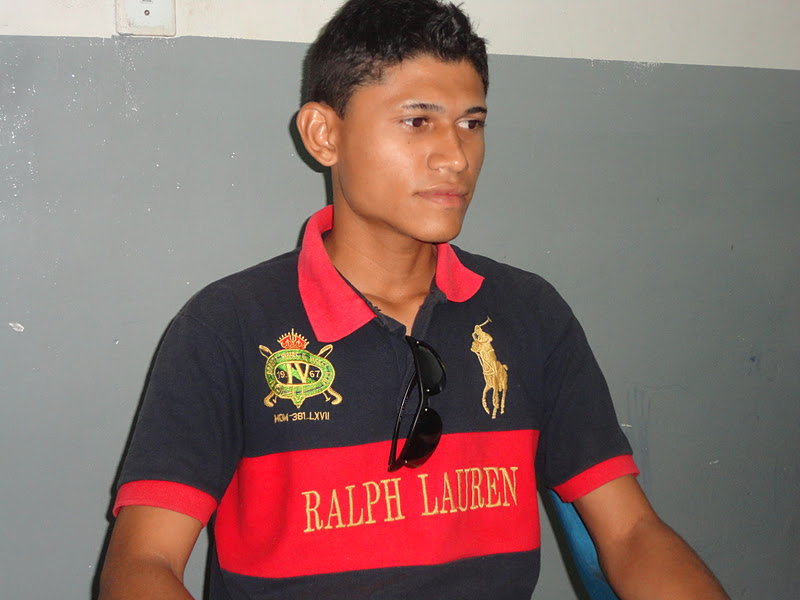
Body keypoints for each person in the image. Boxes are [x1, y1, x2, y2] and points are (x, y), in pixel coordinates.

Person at [99, 1, 730, 598]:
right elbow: (143, 563)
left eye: (471, 124)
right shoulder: (228, 326)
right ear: (324, 134)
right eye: (417, 121)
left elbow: (630, 532)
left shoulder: (529, 314)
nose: (456, 157)